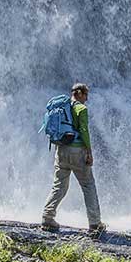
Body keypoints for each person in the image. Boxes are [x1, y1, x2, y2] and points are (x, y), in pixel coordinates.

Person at [41, 82, 103, 237]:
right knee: (88, 185)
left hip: (61, 150)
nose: (87, 99)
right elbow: (83, 131)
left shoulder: (62, 107)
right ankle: (95, 223)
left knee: (59, 185)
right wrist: (89, 151)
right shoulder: (81, 109)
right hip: (77, 151)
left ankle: (47, 217)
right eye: (86, 95)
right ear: (80, 93)